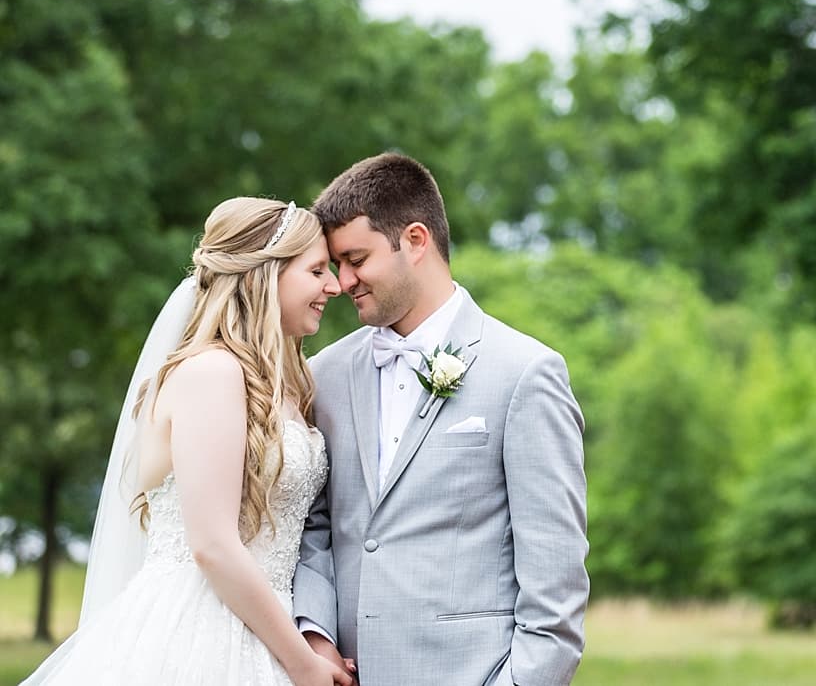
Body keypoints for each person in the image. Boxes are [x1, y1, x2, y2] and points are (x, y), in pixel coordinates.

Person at [24, 197, 352, 686]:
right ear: (265, 275)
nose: (335, 285)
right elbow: (212, 545)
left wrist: (313, 642)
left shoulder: (291, 383)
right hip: (202, 630)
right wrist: (301, 664)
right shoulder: (212, 373)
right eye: (317, 270)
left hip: (269, 623)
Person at [293, 152, 588, 686]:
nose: (342, 281)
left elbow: (556, 580)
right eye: (336, 264)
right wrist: (316, 639)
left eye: (356, 259)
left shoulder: (524, 373)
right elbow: (311, 527)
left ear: (415, 240)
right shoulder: (323, 375)